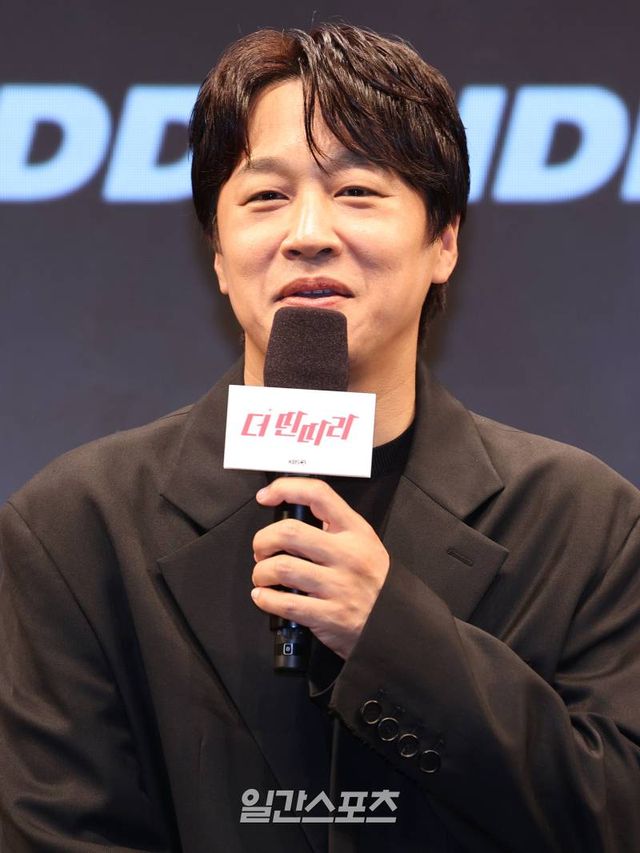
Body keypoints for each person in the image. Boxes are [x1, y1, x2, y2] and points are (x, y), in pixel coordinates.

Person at [1, 21, 639, 853]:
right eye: (266, 197)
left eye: (357, 191)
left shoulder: (586, 524)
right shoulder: (76, 528)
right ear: (219, 254)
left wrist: (397, 638)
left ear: (444, 241)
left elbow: (616, 815)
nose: (308, 231)